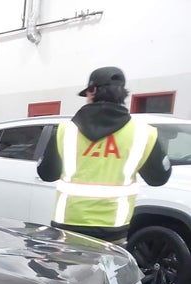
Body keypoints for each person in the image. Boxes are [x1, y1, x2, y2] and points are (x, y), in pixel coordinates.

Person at [37, 66, 171, 242]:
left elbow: (46, 174)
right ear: (122, 94)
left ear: (92, 91)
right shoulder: (143, 133)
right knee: (106, 270)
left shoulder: (66, 130)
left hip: (68, 225)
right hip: (113, 228)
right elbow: (158, 179)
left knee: (67, 270)